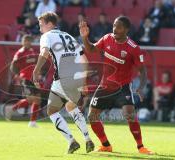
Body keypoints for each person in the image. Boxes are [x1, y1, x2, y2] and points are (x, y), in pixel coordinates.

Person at [79, 16, 153, 154]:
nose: (115, 29)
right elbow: (91, 49)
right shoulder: (107, 38)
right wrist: (85, 37)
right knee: (92, 116)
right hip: (105, 86)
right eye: (114, 25)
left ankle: (141, 147)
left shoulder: (133, 48)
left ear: (126, 29)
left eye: (119, 27)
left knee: (129, 114)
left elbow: (143, 71)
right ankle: (106, 145)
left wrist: (141, 88)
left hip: (122, 87)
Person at [32, 12, 94, 154]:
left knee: (51, 111)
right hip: (77, 76)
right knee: (70, 106)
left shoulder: (46, 36)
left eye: (41, 25)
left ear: (49, 24)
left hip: (63, 77)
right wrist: (83, 82)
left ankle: (72, 141)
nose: (40, 28)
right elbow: (85, 60)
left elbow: (44, 52)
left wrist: (36, 71)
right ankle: (87, 138)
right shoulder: (69, 37)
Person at [10, 34, 41, 127]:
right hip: (25, 79)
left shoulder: (32, 51)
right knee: (33, 99)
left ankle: (32, 122)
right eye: (26, 41)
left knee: (37, 100)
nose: (27, 42)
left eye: (29, 41)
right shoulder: (20, 53)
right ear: (22, 42)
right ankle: (14, 108)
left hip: (33, 79)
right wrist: (17, 75)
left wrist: (38, 74)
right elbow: (13, 65)